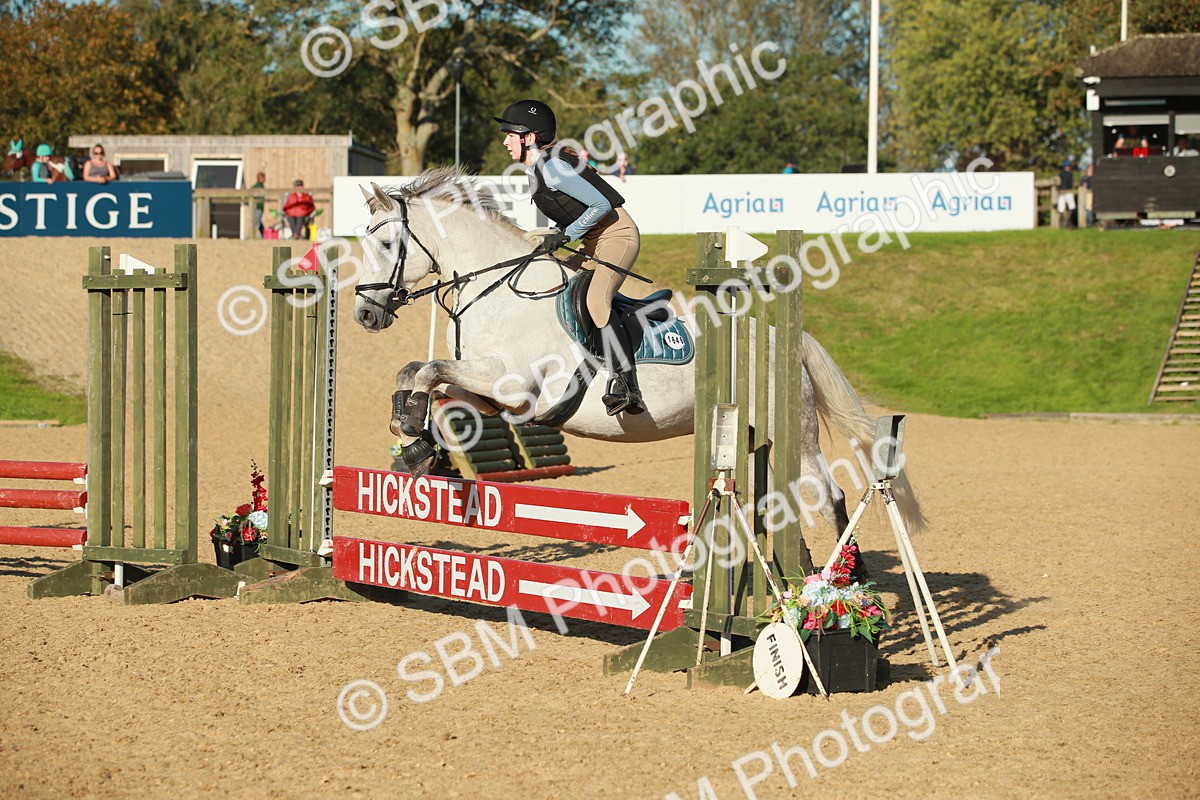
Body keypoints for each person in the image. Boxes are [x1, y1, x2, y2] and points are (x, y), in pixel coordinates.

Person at [495, 98, 645, 416]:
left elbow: (601, 206)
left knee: (595, 300)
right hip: (593, 240)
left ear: (529, 137)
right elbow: (570, 211)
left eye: (510, 134)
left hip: (618, 235)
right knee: (550, 277)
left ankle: (628, 385)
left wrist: (564, 235)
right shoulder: (540, 168)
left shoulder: (552, 167)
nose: (505, 141)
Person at [1057, 162, 1075, 228]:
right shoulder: (1070, 174)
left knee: (1061, 208)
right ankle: (1066, 223)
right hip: (1068, 192)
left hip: (1062, 192)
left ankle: (1062, 224)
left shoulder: (1060, 174)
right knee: (1072, 207)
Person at [251, 172, 266, 237]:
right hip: (257, 207)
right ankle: (254, 235)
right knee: (257, 222)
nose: (265, 179)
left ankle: (263, 234)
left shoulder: (261, 186)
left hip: (259, 207)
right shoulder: (257, 186)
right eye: (263, 178)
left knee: (258, 221)